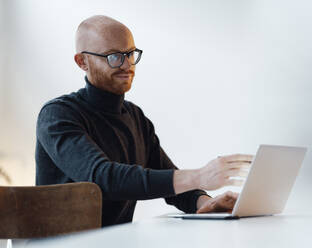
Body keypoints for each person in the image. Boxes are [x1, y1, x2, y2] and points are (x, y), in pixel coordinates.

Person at [35, 15, 253, 227]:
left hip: (114, 243)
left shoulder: (135, 117)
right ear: (82, 61)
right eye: (114, 56)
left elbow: (169, 181)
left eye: (130, 54)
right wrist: (198, 176)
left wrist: (206, 203)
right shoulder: (57, 115)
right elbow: (103, 178)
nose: (127, 65)